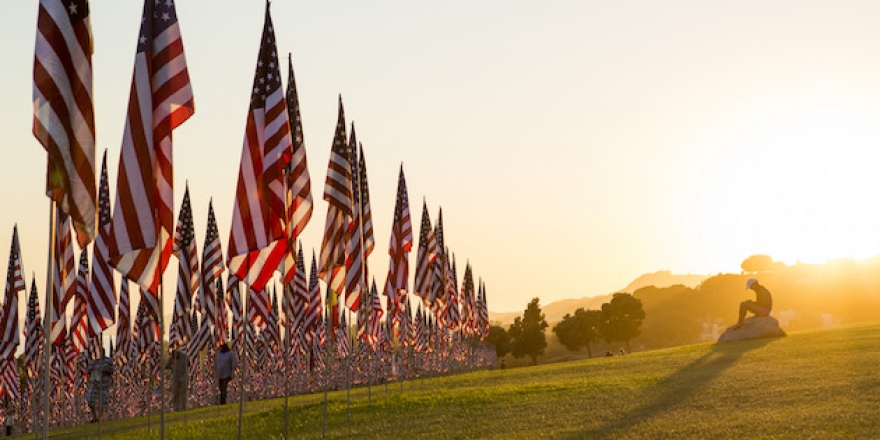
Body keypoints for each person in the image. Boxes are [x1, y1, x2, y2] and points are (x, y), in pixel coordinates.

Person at [86, 351, 114, 423]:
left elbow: (110, 370)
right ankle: (95, 417)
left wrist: (99, 367)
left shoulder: (108, 361)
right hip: (94, 383)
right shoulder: (94, 362)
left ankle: (99, 418)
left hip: (103, 385)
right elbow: (89, 369)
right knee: (90, 400)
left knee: (103, 402)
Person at [164, 347, 190, 411]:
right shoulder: (172, 357)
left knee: (184, 392)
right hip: (175, 376)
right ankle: (176, 408)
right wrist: (171, 368)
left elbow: (189, 364)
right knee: (175, 393)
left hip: (184, 375)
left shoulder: (184, 356)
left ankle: (184, 407)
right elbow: (166, 366)